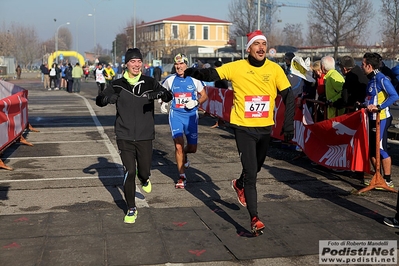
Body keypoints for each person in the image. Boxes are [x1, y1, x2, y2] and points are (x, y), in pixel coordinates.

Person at [183, 30, 295, 236]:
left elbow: (290, 96)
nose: (261, 48)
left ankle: (239, 183)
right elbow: (213, 74)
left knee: (257, 167)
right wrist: (195, 72)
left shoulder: (275, 70)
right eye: (257, 44)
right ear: (249, 48)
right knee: (252, 173)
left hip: (265, 128)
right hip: (243, 127)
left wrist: (289, 126)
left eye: (264, 44)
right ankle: (255, 218)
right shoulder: (237, 67)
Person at [95, 48, 172, 224]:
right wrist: (108, 99)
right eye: (133, 61)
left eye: (139, 61)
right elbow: (99, 100)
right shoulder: (117, 84)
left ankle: (144, 178)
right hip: (124, 134)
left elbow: (169, 96)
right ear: (127, 64)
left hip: (145, 135)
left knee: (143, 170)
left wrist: (160, 93)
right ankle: (131, 208)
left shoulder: (150, 82)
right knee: (129, 171)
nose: (136, 65)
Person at [161, 53, 208, 189]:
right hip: (176, 115)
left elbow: (204, 96)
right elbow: (162, 92)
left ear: (186, 65)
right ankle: (182, 177)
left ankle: (186, 155)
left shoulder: (194, 79)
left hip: (191, 116)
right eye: (176, 64)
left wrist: (196, 102)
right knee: (178, 146)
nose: (178, 66)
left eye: (181, 64)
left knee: (192, 148)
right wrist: (162, 102)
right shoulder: (170, 80)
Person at [361, 52, 399, 188]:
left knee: (381, 148)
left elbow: (394, 96)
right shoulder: (371, 79)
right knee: (371, 150)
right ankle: (379, 177)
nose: (361, 67)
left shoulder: (381, 78)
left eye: (363, 64)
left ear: (369, 66)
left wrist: (379, 107)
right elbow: (372, 97)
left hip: (381, 118)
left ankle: (388, 180)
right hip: (371, 118)